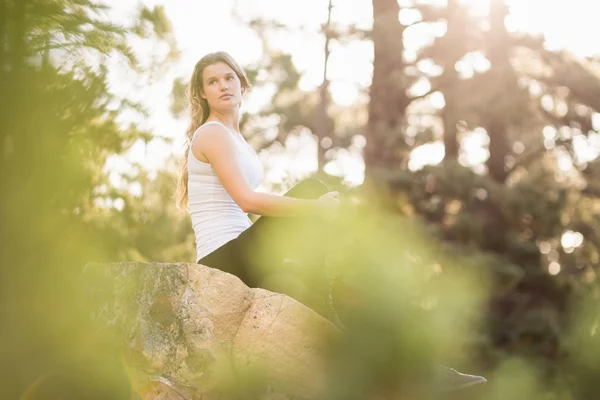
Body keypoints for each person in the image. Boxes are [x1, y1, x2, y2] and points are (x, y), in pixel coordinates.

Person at [175, 51, 486, 391]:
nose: (222, 86)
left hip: (242, 248)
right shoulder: (212, 134)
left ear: (242, 84)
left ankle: (425, 373)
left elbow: (253, 213)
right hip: (222, 259)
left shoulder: (235, 139)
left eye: (228, 78)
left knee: (345, 292)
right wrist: (315, 209)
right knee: (313, 191)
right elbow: (247, 201)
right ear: (202, 93)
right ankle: (328, 298)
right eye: (212, 82)